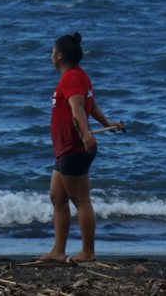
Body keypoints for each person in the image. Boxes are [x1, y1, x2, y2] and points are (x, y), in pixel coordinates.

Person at [35, 32, 123, 263]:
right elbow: (91, 106)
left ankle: (88, 253)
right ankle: (58, 251)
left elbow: (78, 106)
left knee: (81, 200)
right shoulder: (78, 75)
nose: (51, 56)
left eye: (52, 53)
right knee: (57, 197)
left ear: (60, 55)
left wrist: (85, 133)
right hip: (66, 149)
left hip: (75, 148)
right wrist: (107, 124)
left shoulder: (72, 79)